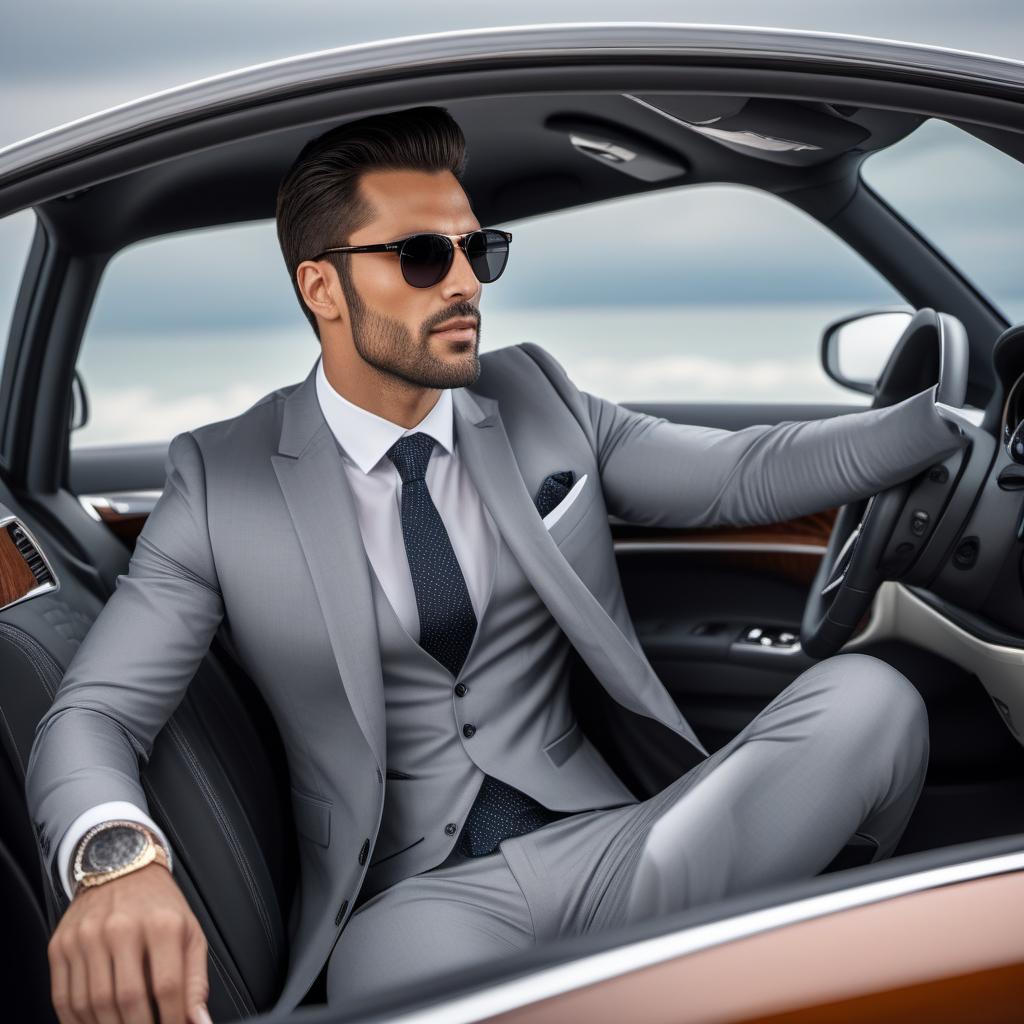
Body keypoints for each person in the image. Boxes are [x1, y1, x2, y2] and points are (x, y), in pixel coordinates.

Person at [26, 104, 969, 1024]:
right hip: (417, 905)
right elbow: (97, 711)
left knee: (871, 700)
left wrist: (949, 427)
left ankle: (652, 959)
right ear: (322, 288)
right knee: (419, 982)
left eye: (480, 252)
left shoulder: (535, 394)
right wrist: (118, 862)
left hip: (626, 841)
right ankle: (695, 960)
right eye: (425, 256)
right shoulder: (221, 476)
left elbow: (739, 474)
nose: (467, 283)